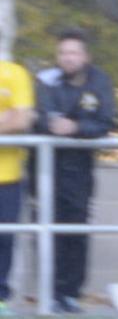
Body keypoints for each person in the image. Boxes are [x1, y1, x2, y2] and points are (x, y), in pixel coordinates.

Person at [34, 28, 115, 314]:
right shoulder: (45, 80)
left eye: (74, 52)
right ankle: (49, 292)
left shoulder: (99, 81)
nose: (68, 58)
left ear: (85, 56)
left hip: (80, 170)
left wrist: (77, 128)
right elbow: (40, 117)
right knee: (45, 229)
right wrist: (55, 125)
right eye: (63, 53)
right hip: (45, 169)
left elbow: (105, 122)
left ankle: (70, 293)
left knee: (77, 230)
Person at [0, 56, 35, 316]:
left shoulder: (15, 73)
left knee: (4, 239)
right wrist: (5, 117)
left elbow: (22, 120)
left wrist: (13, 117)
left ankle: (0, 298)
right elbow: (12, 119)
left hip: (7, 176)